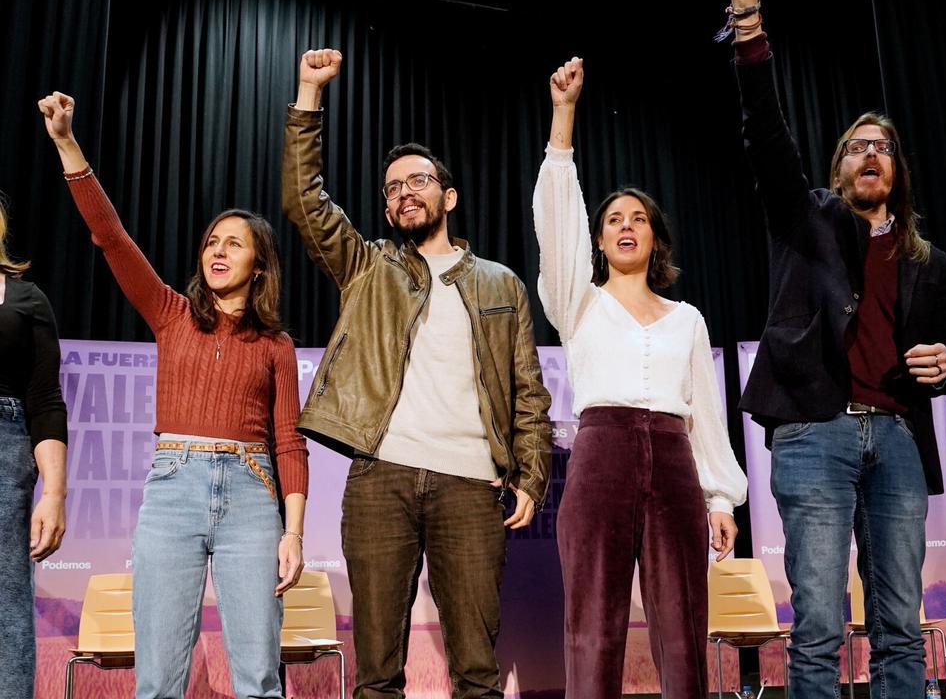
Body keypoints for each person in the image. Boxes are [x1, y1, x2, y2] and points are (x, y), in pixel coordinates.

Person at [282, 49, 552, 699]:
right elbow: (303, 201)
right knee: (376, 675)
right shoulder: (368, 267)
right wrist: (309, 95)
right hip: (382, 480)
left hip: (471, 486)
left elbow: (528, 392)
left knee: (477, 676)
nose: (406, 192)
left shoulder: (500, 284)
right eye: (394, 188)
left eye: (419, 181)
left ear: (447, 196)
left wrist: (532, 474)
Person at [725, 0, 946, 696]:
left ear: (898, 171)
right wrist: (748, 17)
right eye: (857, 147)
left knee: (900, 625)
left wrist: (944, 364)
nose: (870, 155)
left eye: (883, 147)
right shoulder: (810, 220)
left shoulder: (928, 260)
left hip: (899, 437)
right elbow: (766, 132)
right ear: (838, 169)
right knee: (821, 622)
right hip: (815, 432)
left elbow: (936, 353)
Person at [39, 90, 308, 699]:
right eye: (212, 241)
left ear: (259, 265)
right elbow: (111, 237)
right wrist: (66, 143)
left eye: (233, 243)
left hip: (252, 496)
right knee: (158, 681)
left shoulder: (276, 346)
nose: (218, 250)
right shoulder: (171, 313)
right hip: (172, 492)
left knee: (259, 680)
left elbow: (291, 443)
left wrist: (292, 534)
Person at [533, 56, 747, 697]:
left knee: (683, 630)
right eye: (613, 221)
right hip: (602, 457)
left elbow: (705, 415)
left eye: (639, 219)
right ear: (598, 242)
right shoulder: (578, 303)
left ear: (656, 239)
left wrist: (719, 498)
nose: (626, 226)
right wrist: (563, 118)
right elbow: (558, 228)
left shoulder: (688, 319)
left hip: (676, 465)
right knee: (593, 627)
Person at [0, 200, 68, 699]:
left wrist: (54, 494)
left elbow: (44, 401)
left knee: (6, 602)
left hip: (6, 451)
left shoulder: (27, 299)